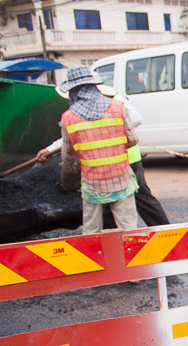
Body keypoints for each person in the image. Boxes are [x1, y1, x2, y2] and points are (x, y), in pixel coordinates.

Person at [38, 87, 170, 228]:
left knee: (142, 199)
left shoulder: (116, 102)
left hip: (126, 162)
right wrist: (50, 149)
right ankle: (113, 241)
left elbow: (137, 119)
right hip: (102, 166)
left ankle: (165, 231)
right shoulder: (81, 110)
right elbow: (72, 133)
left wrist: (111, 128)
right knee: (107, 205)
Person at [57, 65, 140, 235]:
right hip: (121, 178)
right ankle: (132, 259)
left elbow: (67, 156)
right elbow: (133, 139)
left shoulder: (68, 118)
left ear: (74, 91)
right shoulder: (119, 108)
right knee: (129, 230)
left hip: (92, 183)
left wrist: (70, 171)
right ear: (94, 86)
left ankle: (94, 259)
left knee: (91, 232)